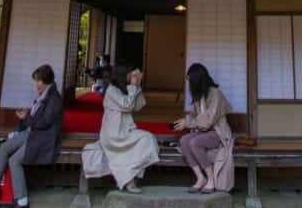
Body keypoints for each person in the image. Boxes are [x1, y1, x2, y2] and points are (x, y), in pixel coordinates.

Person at [0, 64, 63, 208]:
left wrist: (27, 117)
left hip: (43, 138)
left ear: (46, 81)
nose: (36, 84)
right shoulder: (43, 96)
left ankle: (22, 201)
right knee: (4, 148)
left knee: (14, 160)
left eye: (38, 81)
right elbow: (35, 120)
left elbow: (44, 123)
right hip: (32, 133)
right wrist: (26, 117)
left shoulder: (54, 99)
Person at [82, 66, 159, 194]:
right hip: (114, 135)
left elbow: (138, 106)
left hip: (124, 132)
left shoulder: (123, 89)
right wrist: (134, 86)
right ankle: (129, 179)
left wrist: (137, 85)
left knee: (148, 139)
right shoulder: (112, 91)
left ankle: (130, 176)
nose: (131, 77)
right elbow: (127, 105)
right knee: (146, 139)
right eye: (130, 74)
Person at [173, 63, 235, 193]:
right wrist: (184, 121)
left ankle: (210, 179)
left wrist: (189, 123)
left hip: (218, 133)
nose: (190, 85)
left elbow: (208, 120)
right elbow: (194, 116)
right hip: (203, 133)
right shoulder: (199, 96)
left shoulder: (216, 94)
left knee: (194, 142)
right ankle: (200, 178)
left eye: (191, 81)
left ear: (197, 81)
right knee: (184, 141)